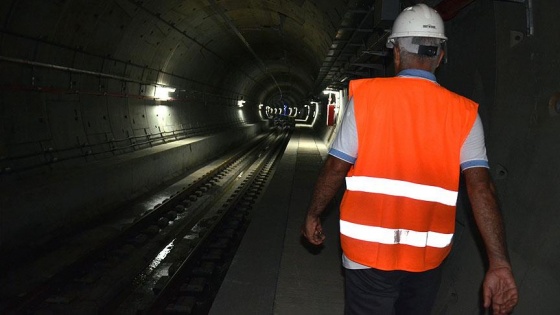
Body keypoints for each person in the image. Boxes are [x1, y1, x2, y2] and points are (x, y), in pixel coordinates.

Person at [302, 3, 518, 315]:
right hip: (427, 259)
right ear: (441, 56)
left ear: (396, 53)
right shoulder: (465, 114)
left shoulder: (367, 98)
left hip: (367, 256)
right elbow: (481, 189)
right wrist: (499, 262)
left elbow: (337, 166)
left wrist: (313, 214)